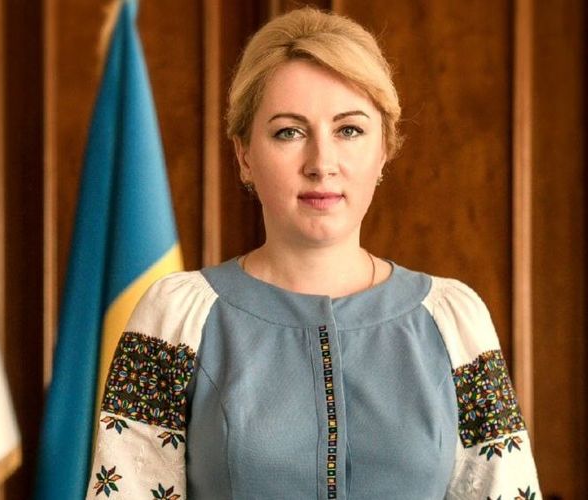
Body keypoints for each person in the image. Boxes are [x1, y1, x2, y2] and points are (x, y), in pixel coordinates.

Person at [86, 7, 540, 499]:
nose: (322, 163)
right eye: (289, 132)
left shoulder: (454, 321)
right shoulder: (174, 319)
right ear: (244, 155)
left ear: (384, 149)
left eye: (349, 130)